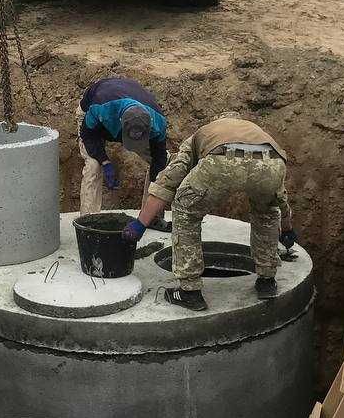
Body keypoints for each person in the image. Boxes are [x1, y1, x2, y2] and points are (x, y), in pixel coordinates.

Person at [122, 112, 295, 311]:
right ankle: (267, 281)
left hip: (221, 157)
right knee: (267, 212)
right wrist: (288, 229)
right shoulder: (255, 131)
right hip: (272, 161)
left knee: (185, 210)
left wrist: (141, 223)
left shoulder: (202, 134)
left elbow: (170, 178)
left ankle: (190, 292)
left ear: (216, 121)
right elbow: (279, 198)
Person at [76, 75, 169, 216]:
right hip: (92, 120)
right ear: (120, 123)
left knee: (162, 165)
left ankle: (151, 217)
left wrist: (156, 183)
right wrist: (105, 161)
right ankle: (88, 220)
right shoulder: (100, 108)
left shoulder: (158, 123)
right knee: (93, 165)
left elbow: (159, 159)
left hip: (122, 100)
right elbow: (88, 135)